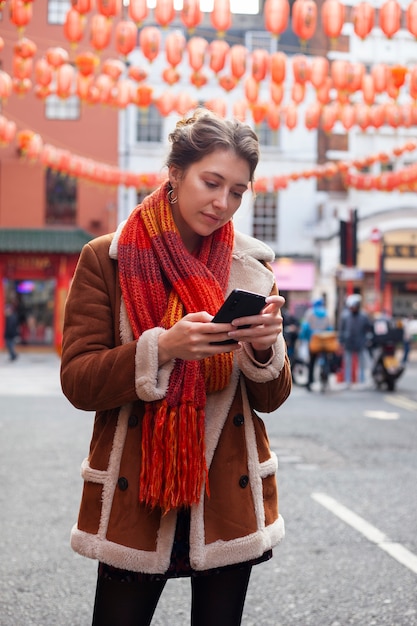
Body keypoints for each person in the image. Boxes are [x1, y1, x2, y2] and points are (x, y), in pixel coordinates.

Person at [60, 108, 292, 626]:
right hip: (139, 487)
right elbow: (78, 379)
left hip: (225, 492)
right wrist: (161, 348)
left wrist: (262, 350)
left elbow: (271, 400)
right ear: (175, 172)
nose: (223, 203)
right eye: (212, 182)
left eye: (238, 191)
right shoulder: (107, 258)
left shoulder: (253, 269)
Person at [298, 298, 332, 391]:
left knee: (312, 362)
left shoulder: (310, 313)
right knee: (325, 360)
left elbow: (305, 327)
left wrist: (302, 338)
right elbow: (329, 328)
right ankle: (325, 379)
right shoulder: (327, 314)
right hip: (324, 341)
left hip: (313, 341)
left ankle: (310, 382)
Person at [339, 294, 372, 385]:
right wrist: (341, 342)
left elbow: (369, 328)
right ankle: (347, 381)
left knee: (362, 364)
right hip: (348, 343)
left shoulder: (364, 316)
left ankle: (362, 381)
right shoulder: (345, 316)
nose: (352, 308)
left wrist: (367, 339)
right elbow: (341, 330)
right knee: (347, 363)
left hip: (360, 343)